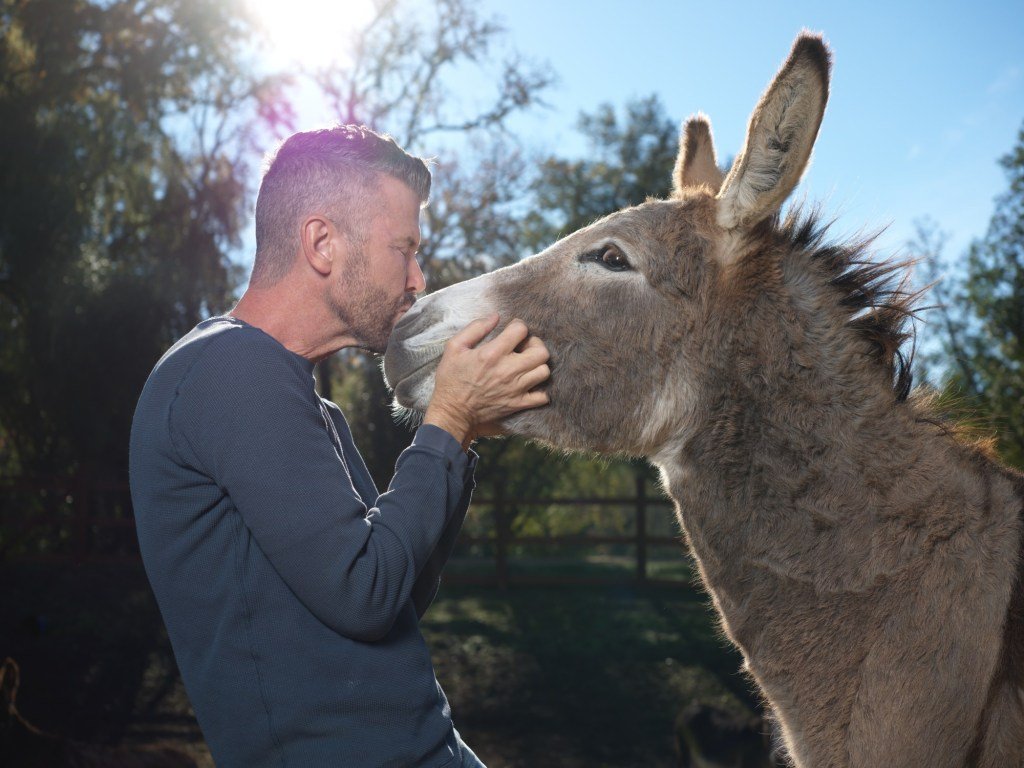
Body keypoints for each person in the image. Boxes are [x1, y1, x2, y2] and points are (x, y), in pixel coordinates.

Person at [128, 125, 550, 768]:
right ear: (323, 243)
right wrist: (449, 422)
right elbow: (365, 593)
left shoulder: (307, 403)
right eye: (403, 249)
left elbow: (396, 596)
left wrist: (460, 443)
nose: (417, 278)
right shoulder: (230, 369)